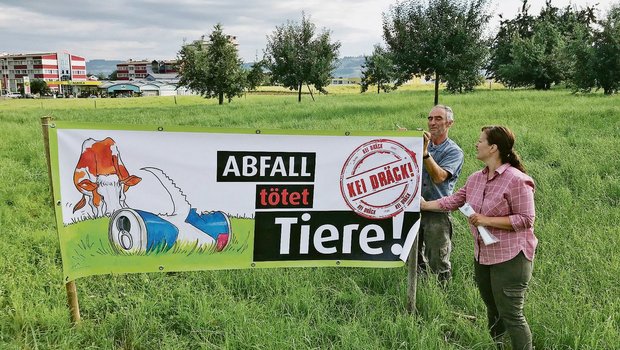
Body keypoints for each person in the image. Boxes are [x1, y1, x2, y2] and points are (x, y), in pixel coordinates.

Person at [421, 126, 537, 350]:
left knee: (511, 314)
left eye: (480, 141)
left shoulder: (517, 180)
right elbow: (453, 201)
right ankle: (499, 346)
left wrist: (486, 220)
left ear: (493, 148)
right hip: (483, 256)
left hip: (511, 257)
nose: (476, 144)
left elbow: (526, 219)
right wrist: (424, 205)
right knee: (493, 309)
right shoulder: (477, 178)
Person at [417, 105, 464, 283]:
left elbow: (439, 177)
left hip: (436, 211)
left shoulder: (453, 151)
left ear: (449, 123)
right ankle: (420, 288)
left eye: (438, 119)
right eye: (430, 118)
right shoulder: (418, 143)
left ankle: (442, 294)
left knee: (437, 258)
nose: (432, 123)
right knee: (412, 256)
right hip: (412, 208)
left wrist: (424, 153)